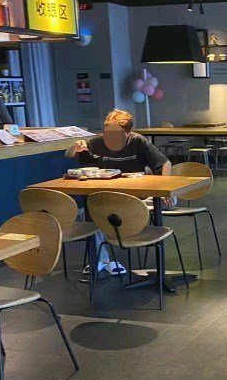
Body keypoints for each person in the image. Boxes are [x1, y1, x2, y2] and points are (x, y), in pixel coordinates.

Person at [66, 109, 172, 276]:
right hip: (109, 197)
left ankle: (136, 220)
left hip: (137, 196)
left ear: (128, 132)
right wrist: (75, 147)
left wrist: (164, 190)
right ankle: (101, 260)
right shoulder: (98, 142)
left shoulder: (138, 141)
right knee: (93, 213)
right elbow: (69, 154)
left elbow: (165, 163)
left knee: (171, 201)